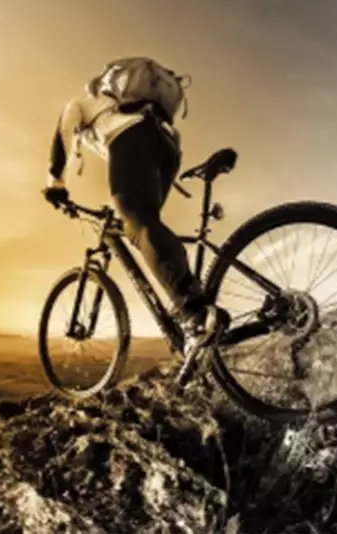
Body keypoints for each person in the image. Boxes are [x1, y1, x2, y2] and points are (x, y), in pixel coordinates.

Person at [41, 57, 228, 366]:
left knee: (140, 225)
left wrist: (55, 183)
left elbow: (64, 130)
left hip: (134, 138)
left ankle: (194, 313)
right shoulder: (132, 109)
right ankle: (193, 317)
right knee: (146, 227)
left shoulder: (88, 103)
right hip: (167, 146)